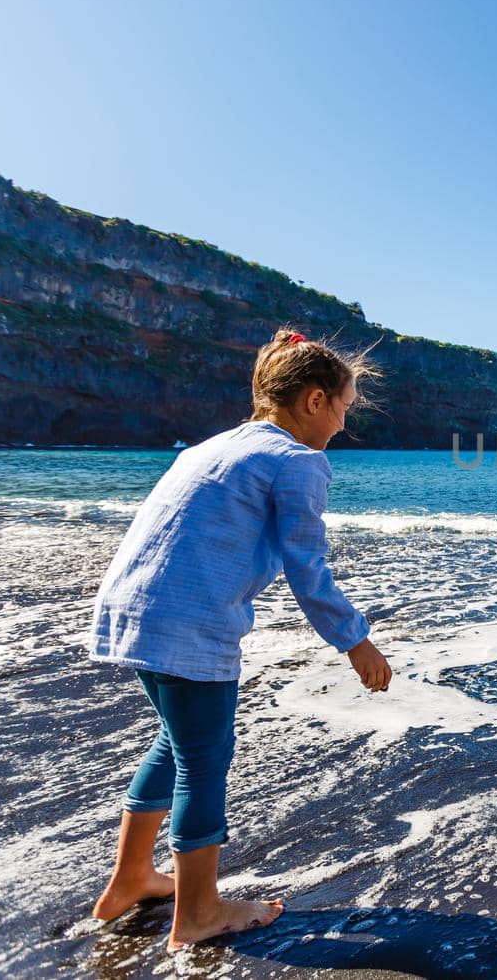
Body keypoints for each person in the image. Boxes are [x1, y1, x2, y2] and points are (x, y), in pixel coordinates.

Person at [88, 329, 393, 948]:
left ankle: (132, 877)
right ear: (313, 400)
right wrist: (356, 642)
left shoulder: (212, 446)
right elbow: (308, 568)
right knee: (204, 761)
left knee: (175, 746)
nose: (341, 424)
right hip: (189, 623)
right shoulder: (298, 460)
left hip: (134, 608)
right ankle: (197, 913)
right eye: (343, 408)